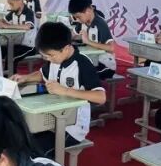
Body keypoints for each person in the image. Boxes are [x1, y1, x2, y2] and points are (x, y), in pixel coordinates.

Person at [11, 22, 106, 158]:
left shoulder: (82, 64)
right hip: (50, 119)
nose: (48, 59)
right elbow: (42, 74)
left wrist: (65, 91)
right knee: (20, 138)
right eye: (45, 57)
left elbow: (100, 97)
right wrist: (25, 78)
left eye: (51, 55)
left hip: (72, 128)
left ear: (66, 48)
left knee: (36, 152)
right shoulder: (54, 60)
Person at [67, 0, 116, 79]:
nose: (77, 20)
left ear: (88, 11)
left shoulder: (100, 24)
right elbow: (72, 35)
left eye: (78, 17)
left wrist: (88, 41)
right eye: (75, 18)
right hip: (92, 61)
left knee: (81, 75)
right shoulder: (82, 22)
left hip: (105, 65)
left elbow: (111, 48)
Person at [1, 0, 39, 64]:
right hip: (18, 45)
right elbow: (3, 21)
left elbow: (28, 26)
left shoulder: (29, 12)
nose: (10, 7)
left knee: (11, 58)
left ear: (20, 1)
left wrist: (7, 26)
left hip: (30, 47)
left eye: (11, 4)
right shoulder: (13, 12)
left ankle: (10, 72)